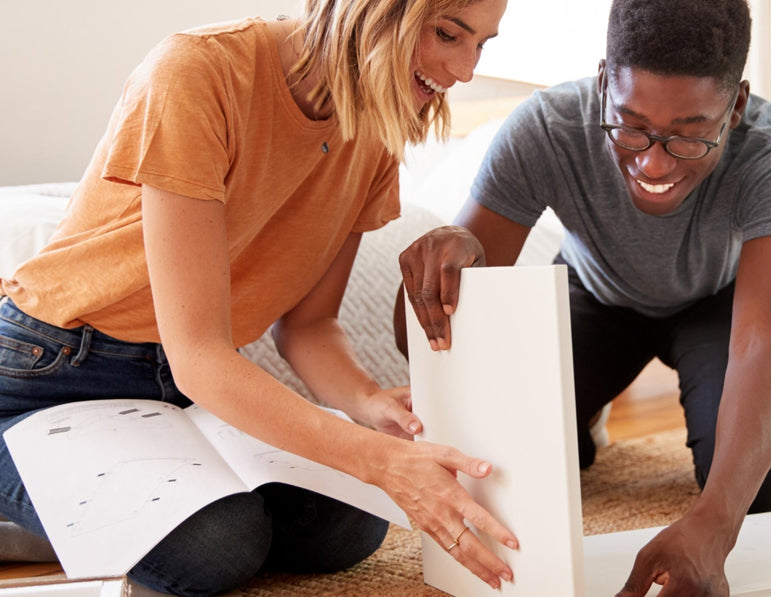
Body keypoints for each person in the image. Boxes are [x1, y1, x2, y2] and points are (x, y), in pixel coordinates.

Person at [0, 0, 519, 595]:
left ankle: (79, 516)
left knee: (347, 525)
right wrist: (375, 458)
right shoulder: (197, 70)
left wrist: (370, 405)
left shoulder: (376, 123)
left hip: (184, 390)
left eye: (481, 44)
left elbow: (309, 325)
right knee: (218, 547)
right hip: (53, 372)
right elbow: (200, 355)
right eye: (448, 33)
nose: (464, 71)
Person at [396, 0, 771, 594]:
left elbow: (766, 339)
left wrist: (716, 525)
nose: (652, 161)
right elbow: (425, 336)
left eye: (690, 136)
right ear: (603, 85)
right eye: (631, 126)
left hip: (717, 304)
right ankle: (581, 419)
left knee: (764, 486)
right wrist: (436, 263)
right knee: (523, 459)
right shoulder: (547, 127)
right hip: (594, 292)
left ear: (737, 106)